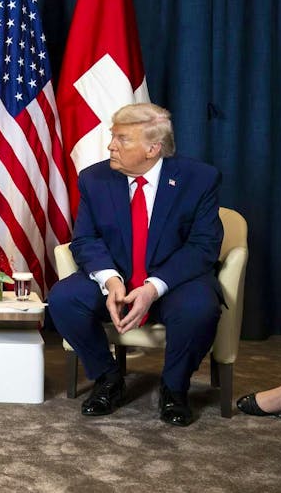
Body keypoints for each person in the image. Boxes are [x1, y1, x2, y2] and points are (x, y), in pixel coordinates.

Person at [48, 102, 223, 427]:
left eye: (122, 139)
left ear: (152, 148)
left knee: (200, 308)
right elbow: (85, 240)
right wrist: (112, 281)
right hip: (118, 277)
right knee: (63, 298)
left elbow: (203, 247)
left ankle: (174, 388)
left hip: (173, 282)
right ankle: (108, 378)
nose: (111, 145)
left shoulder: (200, 179)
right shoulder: (94, 179)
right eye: (113, 137)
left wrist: (153, 288)